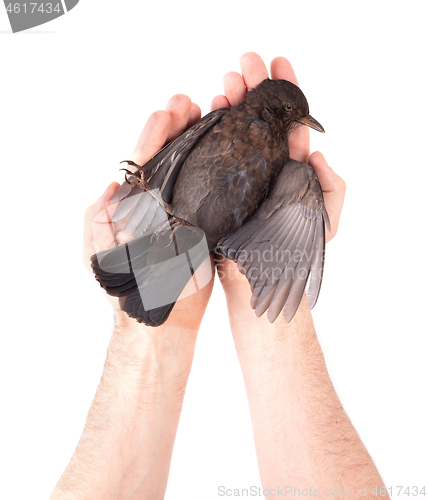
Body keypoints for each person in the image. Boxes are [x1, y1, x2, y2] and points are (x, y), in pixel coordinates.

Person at [50, 53, 388, 500]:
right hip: (174, 228)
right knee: (301, 183)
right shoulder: (227, 122)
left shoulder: (285, 166)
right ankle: (152, 294)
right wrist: (147, 187)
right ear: (274, 110)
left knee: (301, 182)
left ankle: (154, 294)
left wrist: (265, 280)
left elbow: (188, 155)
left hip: (186, 234)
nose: (302, 123)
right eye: (294, 115)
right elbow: (181, 148)